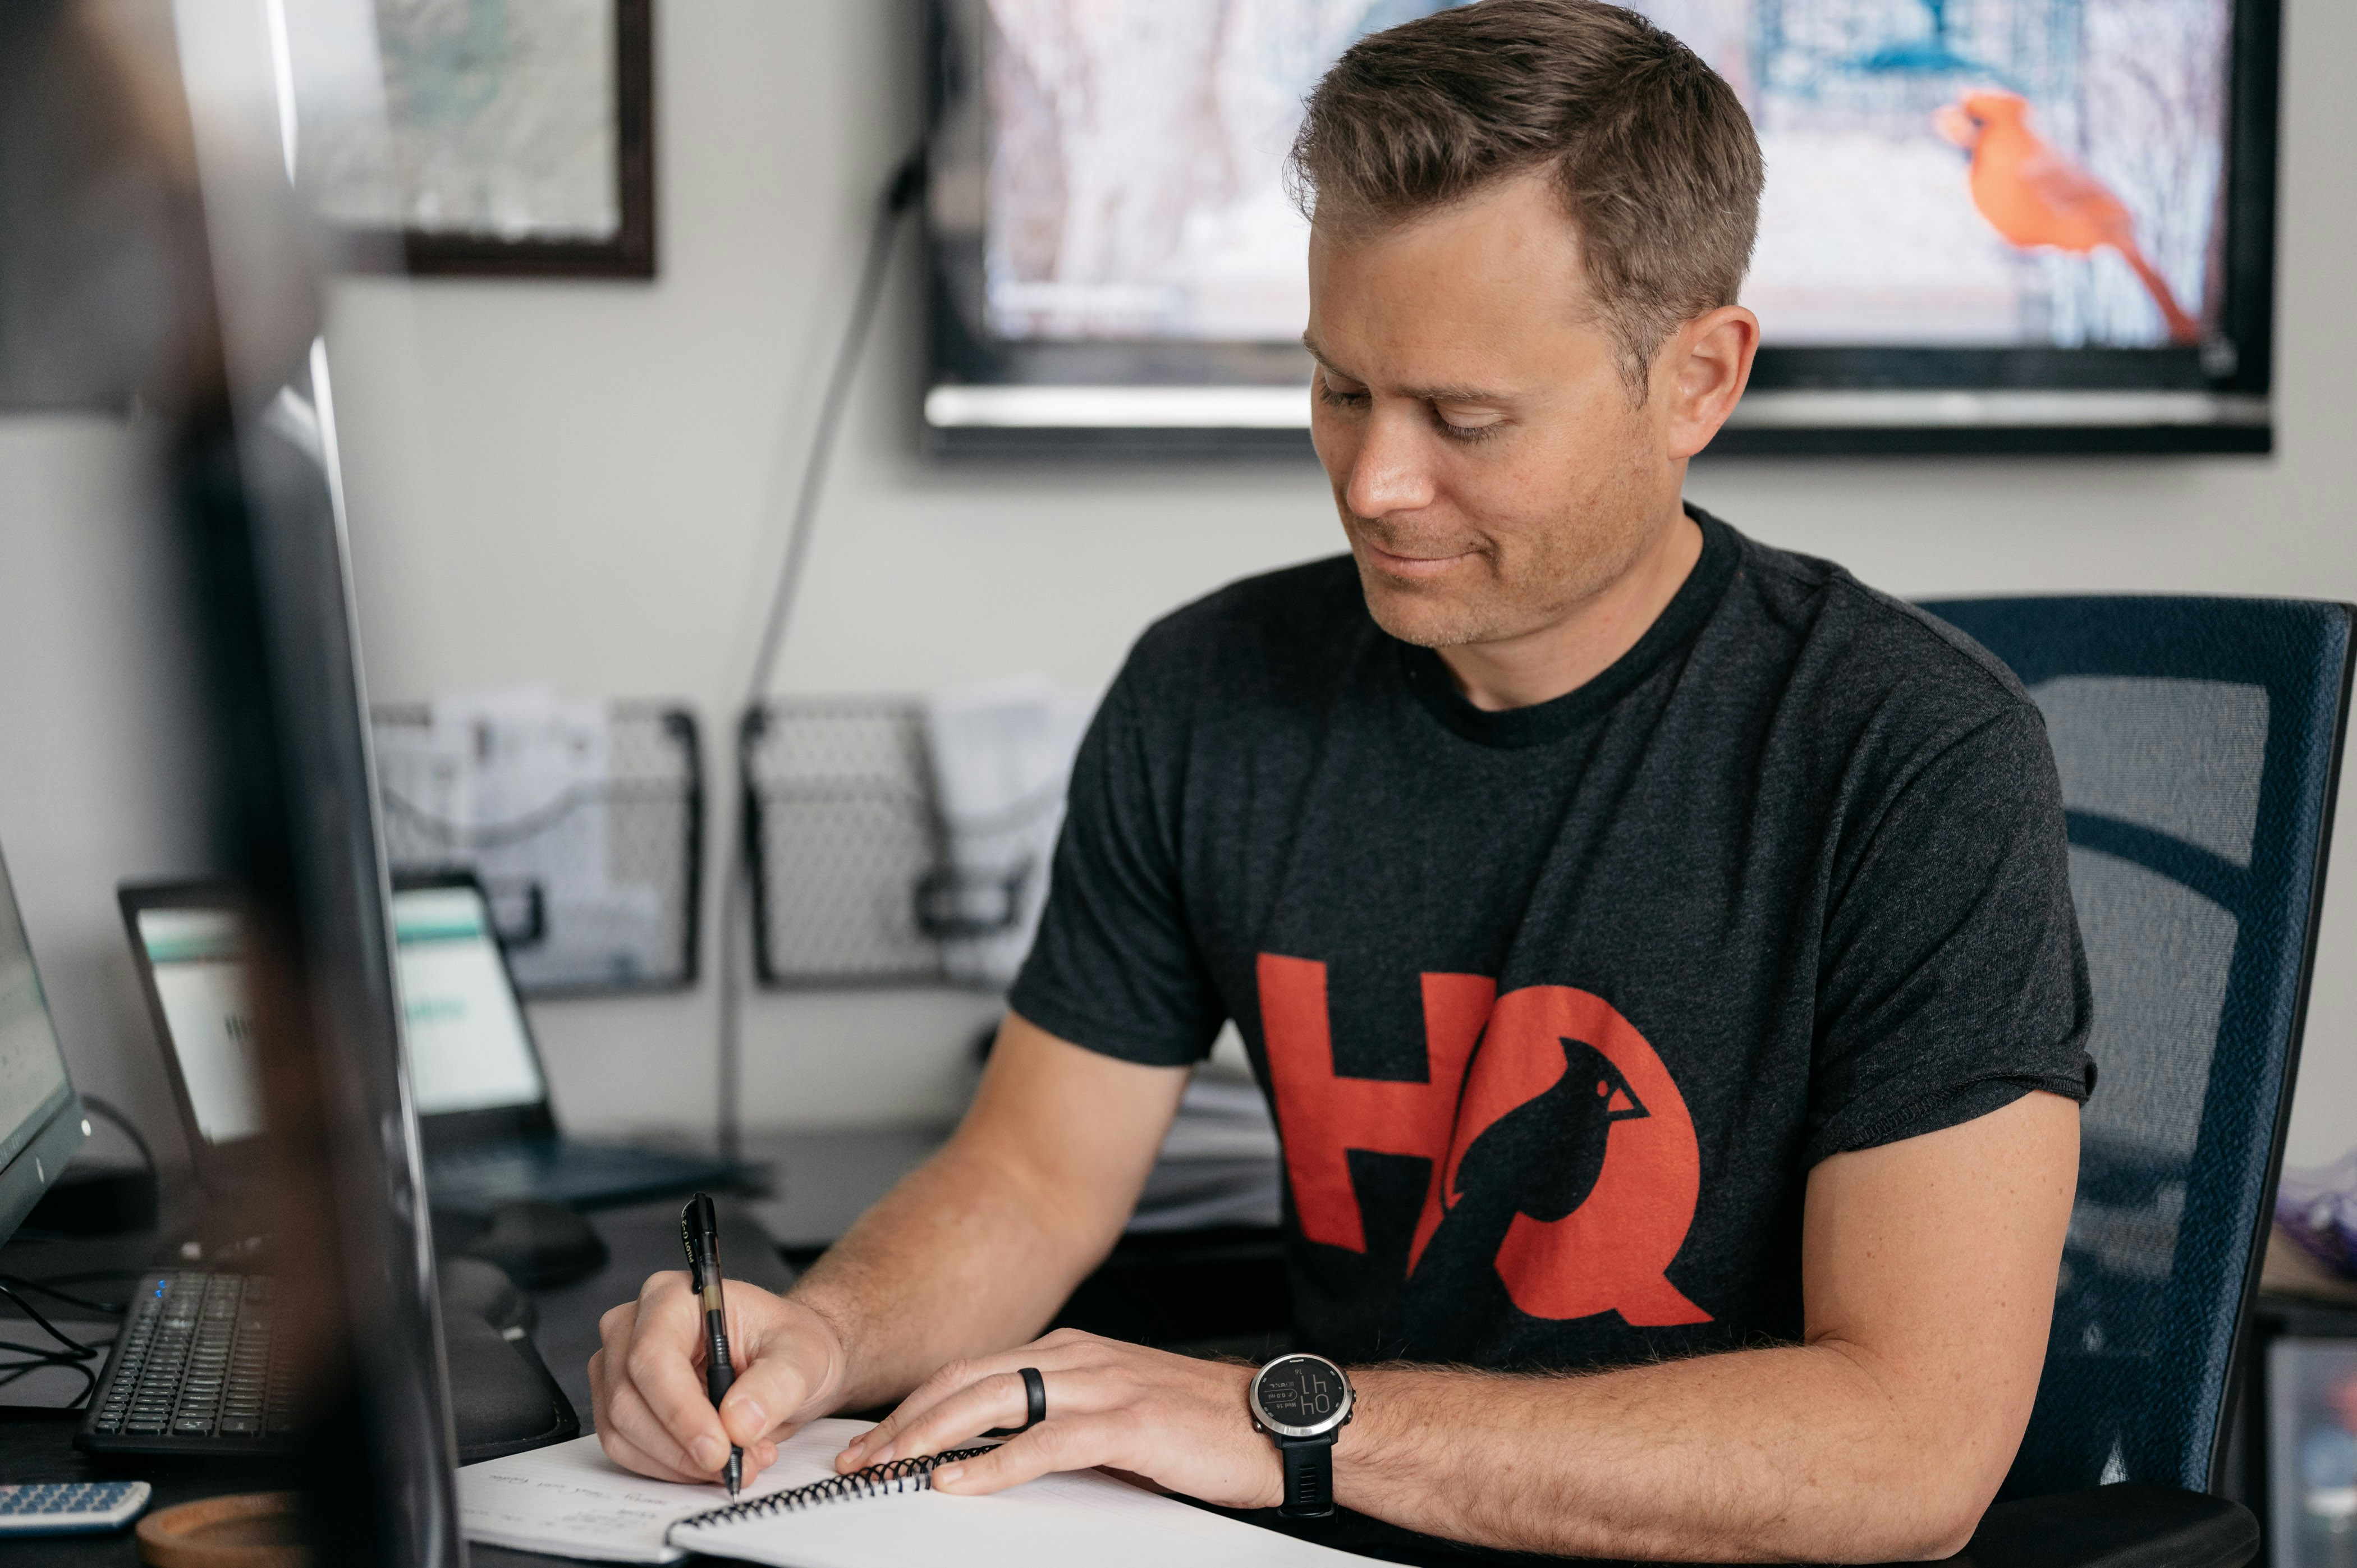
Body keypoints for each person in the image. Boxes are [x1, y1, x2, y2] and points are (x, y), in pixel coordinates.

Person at [591, 2, 2093, 1560]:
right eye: (1341, 389)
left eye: (1466, 418)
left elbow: (1910, 1447)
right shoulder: (1209, 693)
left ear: (1698, 383)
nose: (1374, 483)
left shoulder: (1913, 755)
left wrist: (1282, 1421)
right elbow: (1032, 1175)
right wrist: (817, 1336)